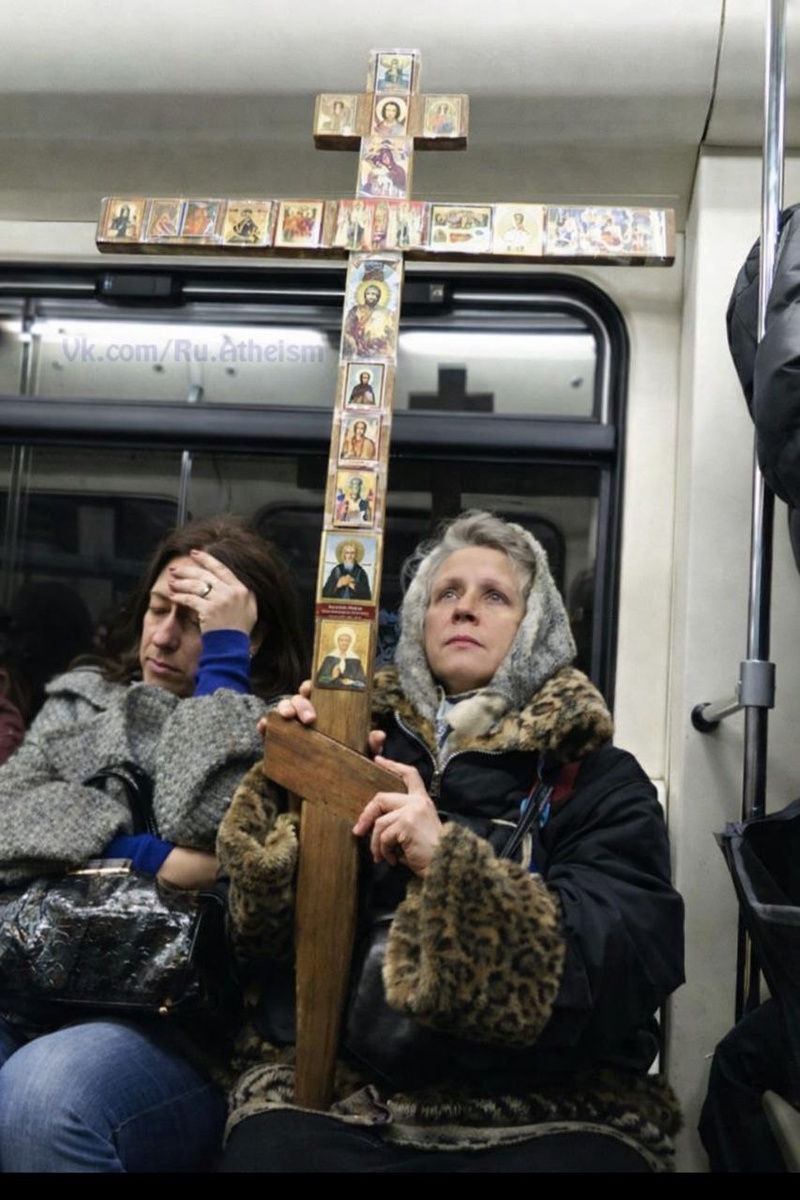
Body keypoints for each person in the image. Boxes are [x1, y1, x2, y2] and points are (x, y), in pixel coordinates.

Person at [217, 510, 685, 1172]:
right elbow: (253, 944)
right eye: (446, 594)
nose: (465, 608)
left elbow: (624, 962)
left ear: (535, 630)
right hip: (352, 1096)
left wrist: (447, 863)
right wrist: (295, 781)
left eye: (495, 596)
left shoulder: (594, 775)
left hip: (546, 1107)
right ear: (418, 623)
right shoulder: (354, 739)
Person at [0, 514, 306, 1173]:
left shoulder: (283, 732)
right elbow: (7, 821)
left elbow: (201, 817)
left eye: (194, 622)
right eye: (157, 609)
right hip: (36, 983)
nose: (162, 636)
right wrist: (148, 854)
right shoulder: (85, 703)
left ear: (248, 637)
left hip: (185, 1033)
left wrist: (222, 668)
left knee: (44, 1092)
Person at [342, 281, 395, 359]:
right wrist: (353, 343)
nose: (371, 297)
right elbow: (347, 330)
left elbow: (391, 332)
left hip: (379, 350)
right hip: (358, 348)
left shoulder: (386, 312)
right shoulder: (355, 310)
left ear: (378, 297)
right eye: (369, 294)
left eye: (374, 294)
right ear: (364, 295)